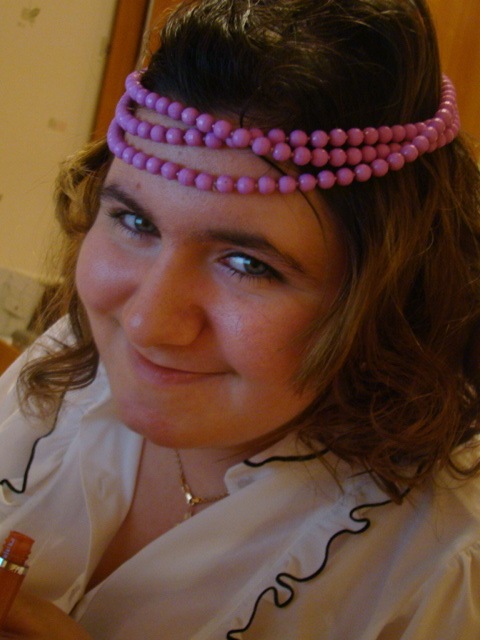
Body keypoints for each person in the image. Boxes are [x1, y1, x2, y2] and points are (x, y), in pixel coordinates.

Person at [1, 0, 480, 637]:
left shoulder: (440, 568)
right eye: (135, 222)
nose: (146, 324)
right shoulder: (72, 363)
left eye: (248, 265)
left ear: (388, 293)